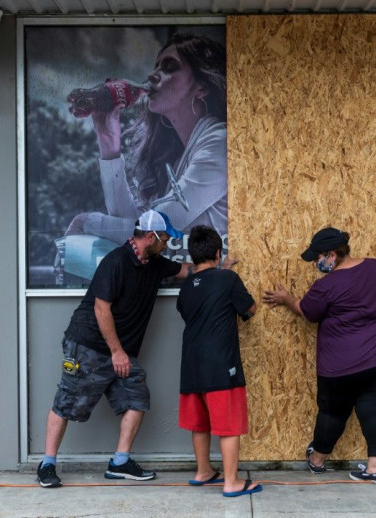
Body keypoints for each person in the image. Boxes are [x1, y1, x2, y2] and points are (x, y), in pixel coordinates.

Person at [37, 209, 193, 488]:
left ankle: (120, 462)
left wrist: (216, 268)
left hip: (120, 353)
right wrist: (117, 352)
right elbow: (101, 308)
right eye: (166, 238)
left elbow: (185, 271)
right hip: (89, 345)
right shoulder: (116, 262)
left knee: (136, 398)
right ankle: (47, 464)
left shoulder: (154, 263)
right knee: (67, 401)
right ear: (150, 236)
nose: (168, 243)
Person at [261, 227, 376, 485]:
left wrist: (285, 298)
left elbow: (307, 312)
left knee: (333, 412)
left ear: (331, 254)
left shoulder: (325, 286)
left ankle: (316, 460)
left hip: (343, 362)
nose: (316, 263)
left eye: (318, 257)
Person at [65, 32, 227, 247]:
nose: (152, 75)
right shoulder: (181, 158)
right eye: (156, 66)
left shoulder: (219, 144)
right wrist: (109, 147)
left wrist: (86, 222)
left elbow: (153, 231)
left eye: (169, 67)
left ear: (202, 87)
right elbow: (132, 226)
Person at [176, 226, 262, 498]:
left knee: (199, 422)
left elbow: (193, 305)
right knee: (229, 425)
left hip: (191, 365)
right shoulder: (227, 280)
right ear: (217, 251)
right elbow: (248, 308)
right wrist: (226, 273)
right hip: (221, 364)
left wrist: (221, 271)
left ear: (192, 255)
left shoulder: (187, 285)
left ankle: (203, 472)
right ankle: (232, 482)